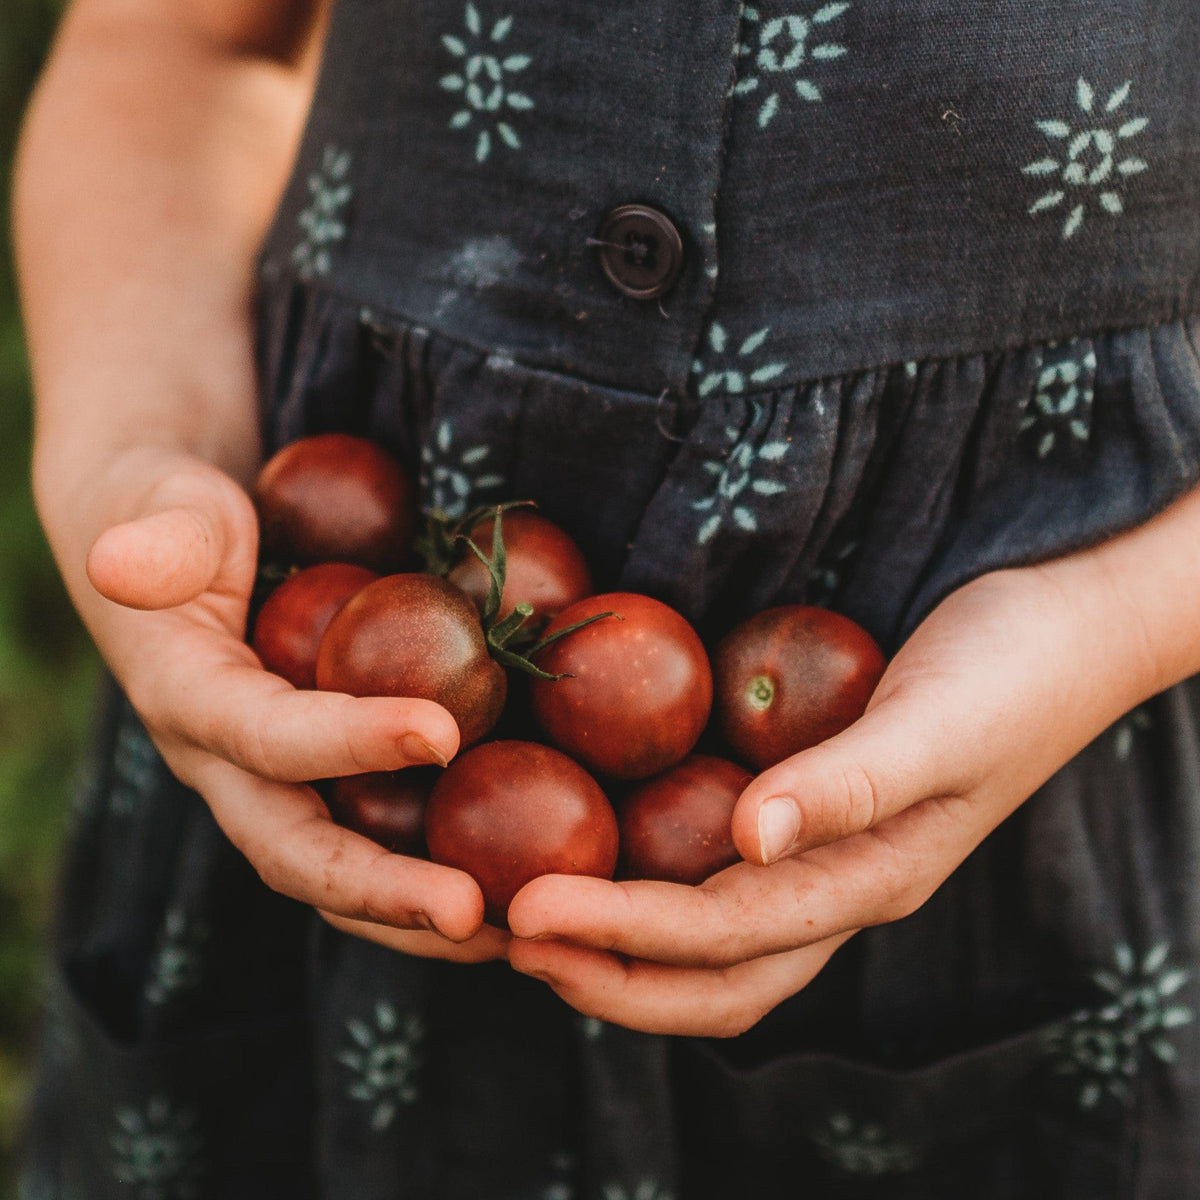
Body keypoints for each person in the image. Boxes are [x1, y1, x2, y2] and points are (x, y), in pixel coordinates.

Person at [13, 0, 1200, 1195]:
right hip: (314, 746)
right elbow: (171, 46)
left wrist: (1117, 618)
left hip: (1037, 784)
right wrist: (140, 440)